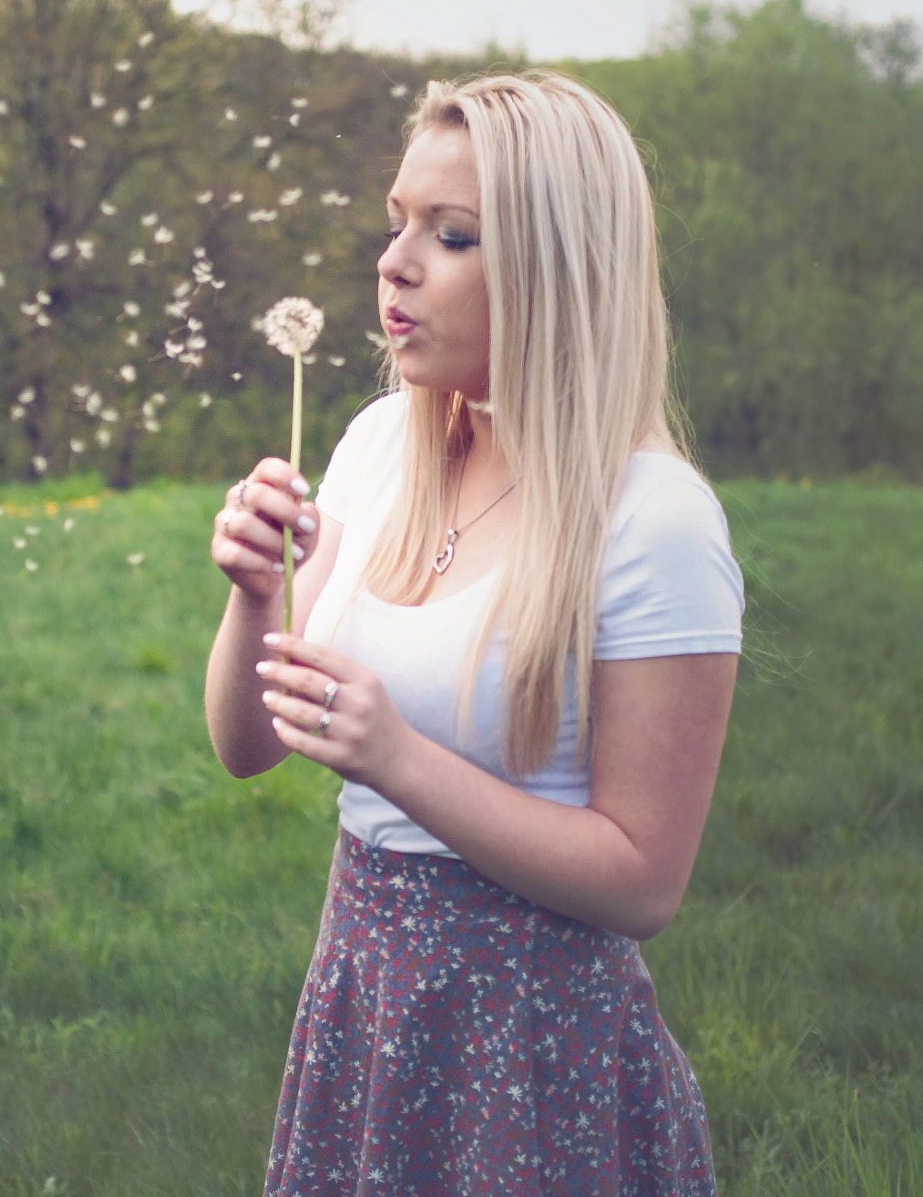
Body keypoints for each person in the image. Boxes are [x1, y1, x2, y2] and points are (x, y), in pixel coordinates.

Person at [204, 72, 742, 1196]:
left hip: (536, 1048)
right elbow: (250, 745)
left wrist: (397, 755)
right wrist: (254, 592)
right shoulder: (373, 447)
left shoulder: (651, 521)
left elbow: (643, 880)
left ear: (557, 269)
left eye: (450, 237)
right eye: (394, 223)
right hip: (364, 1008)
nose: (394, 264)